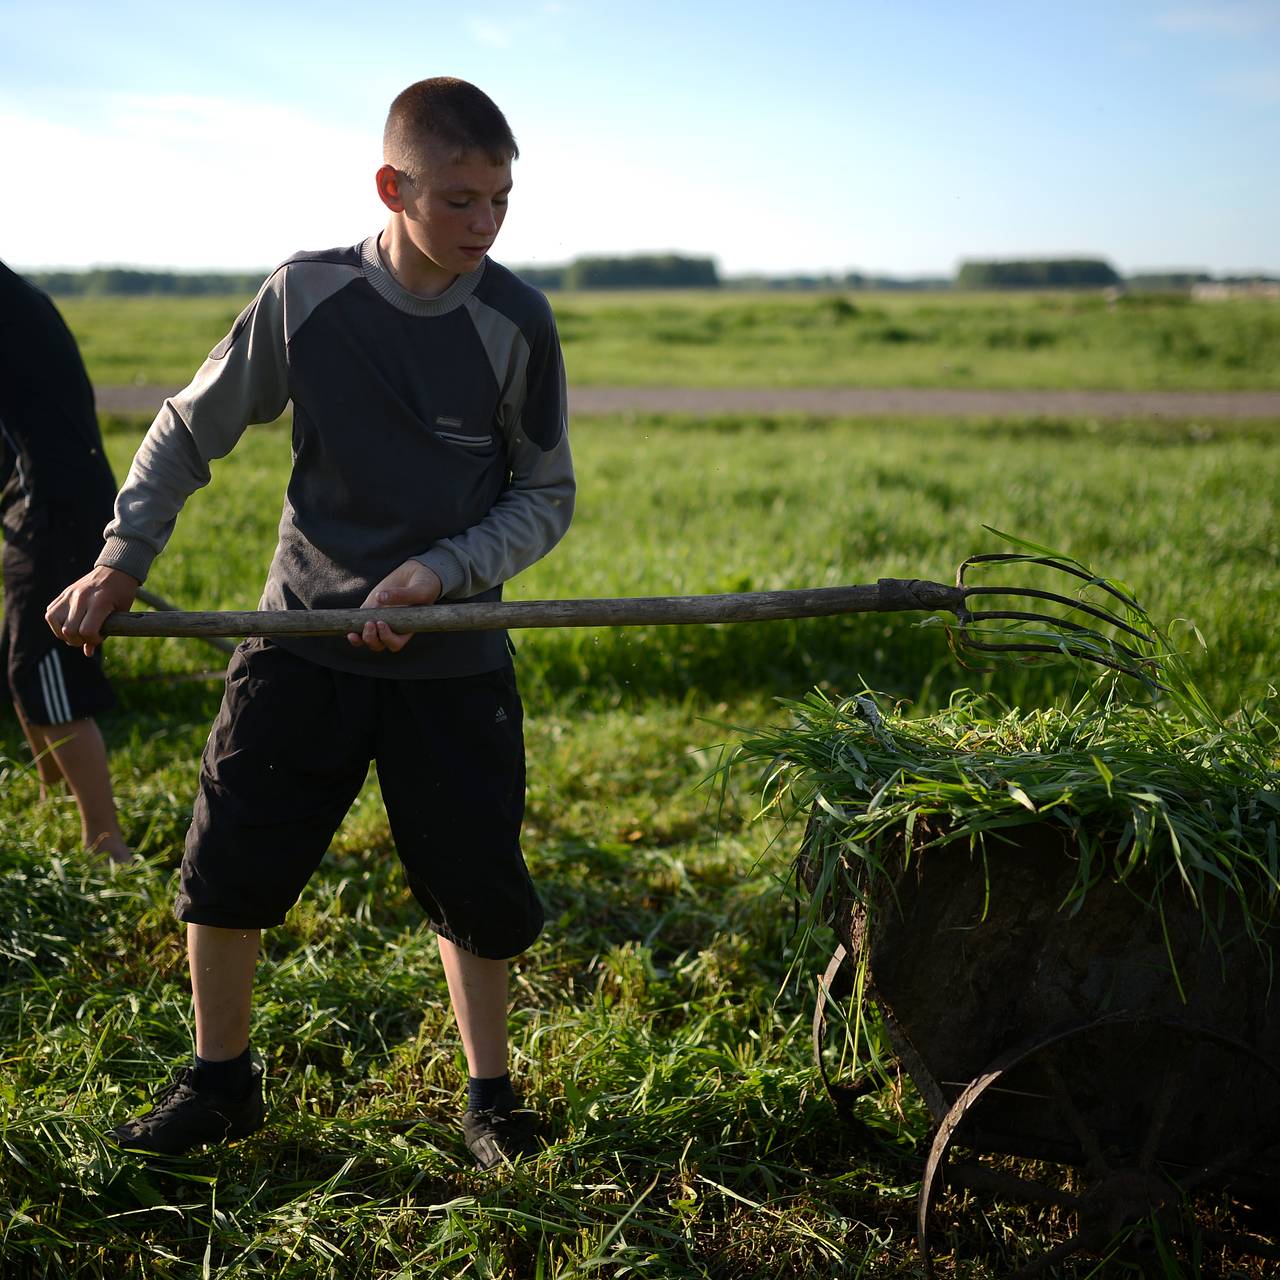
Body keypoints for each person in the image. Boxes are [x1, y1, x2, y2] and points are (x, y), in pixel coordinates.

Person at [45, 77, 575, 1169]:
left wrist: (443, 571)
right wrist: (118, 559)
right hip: (298, 639)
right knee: (225, 865)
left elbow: (544, 493)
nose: (485, 226)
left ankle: (489, 1099)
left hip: (450, 654)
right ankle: (220, 1082)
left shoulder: (514, 320)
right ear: (392, 186)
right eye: (461, 201)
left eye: (502, 202)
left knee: (474, 886)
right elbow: (186, 431)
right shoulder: (305, 297)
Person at [1, 259, 132, 863]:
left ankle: (106, 846)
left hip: (51, 502)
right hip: (41, 496)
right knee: (24, 662)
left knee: (44, 671)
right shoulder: (17, 296)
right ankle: (56, 805)